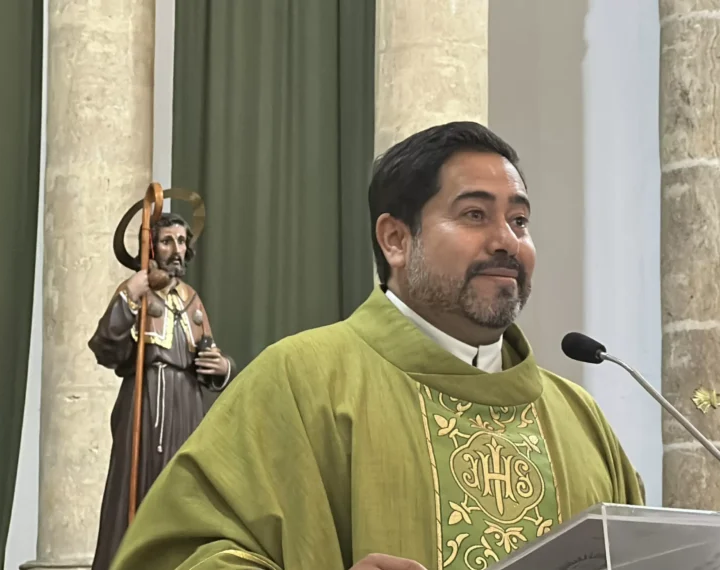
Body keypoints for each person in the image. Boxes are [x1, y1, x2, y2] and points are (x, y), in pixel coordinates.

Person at [109, 122, 644, 570]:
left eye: (520, 220)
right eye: (475, 214)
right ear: (395, 239)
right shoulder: (299, 381)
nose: (507, 239)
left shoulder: (579, 420)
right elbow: (173, 557)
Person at [88, 212, 238, 570]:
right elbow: (106, 348)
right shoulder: (137, 293)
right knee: (137, 490)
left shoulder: (191, 300)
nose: (176, 249)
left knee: (183, 493)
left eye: (182, 242)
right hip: (146, 403)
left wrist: (223, 367)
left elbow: (208, 356)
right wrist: (128, 296)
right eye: (168, 241)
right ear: (152, 246)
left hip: (187, 406)